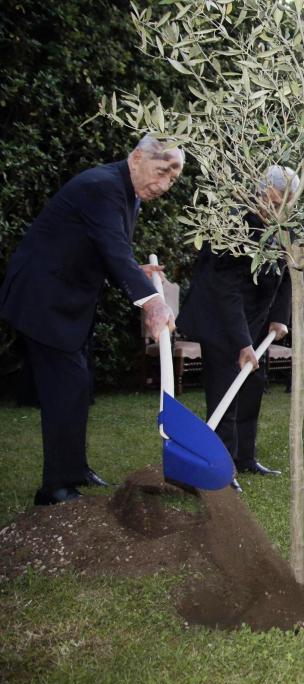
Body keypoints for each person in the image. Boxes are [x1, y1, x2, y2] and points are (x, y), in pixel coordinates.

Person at [0, 135, 181, 505]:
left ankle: (75, 468)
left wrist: (136, 269)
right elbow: (113, 250)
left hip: (67, 301)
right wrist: (151, 304)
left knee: (79, 387)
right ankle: (54, 488)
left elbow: (107, 247)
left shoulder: (127, 192)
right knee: (67, 387)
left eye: (173, 180)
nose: (164, 186)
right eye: (161, 172)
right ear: (136, 158)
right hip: (44, 298)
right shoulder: (102, 187)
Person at [177, 165, 294, 487]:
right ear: (265, 192)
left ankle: (245, 458)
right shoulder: (233, 223)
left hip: (257, 321)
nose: (284, 206)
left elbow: (290, 275)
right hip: (221, 320)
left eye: (289, 200)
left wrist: (279, 318)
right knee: (225, 391)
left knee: (253, 388)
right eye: (281, 198)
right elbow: (225, 290)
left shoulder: (285, 227)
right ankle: (221, 467)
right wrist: (242, 343)